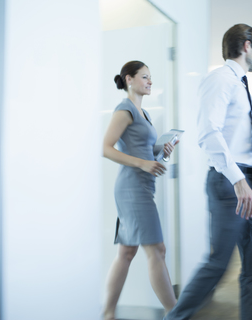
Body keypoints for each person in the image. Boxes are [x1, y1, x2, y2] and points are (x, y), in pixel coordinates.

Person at [164, 24, 252, 320]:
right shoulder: (220, 79)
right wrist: (237, 179)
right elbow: (208, 133)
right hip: (230, 185)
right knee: (218, 265)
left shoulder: (242, 84)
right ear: (247, 46)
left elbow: (241, 139)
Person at [102, 61, 178, 320]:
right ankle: (175, 312)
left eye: (150, 77)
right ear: (129, 79)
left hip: (141, 186)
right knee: (157, 250)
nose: (149, 81)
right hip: (132, 189)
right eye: (144, 77)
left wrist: (161, 152)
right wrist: (143, 163)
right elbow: (106, 148)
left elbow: (143, 150)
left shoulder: (142, 114)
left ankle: (108, 313)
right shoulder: (125, 109)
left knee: (127, 251)